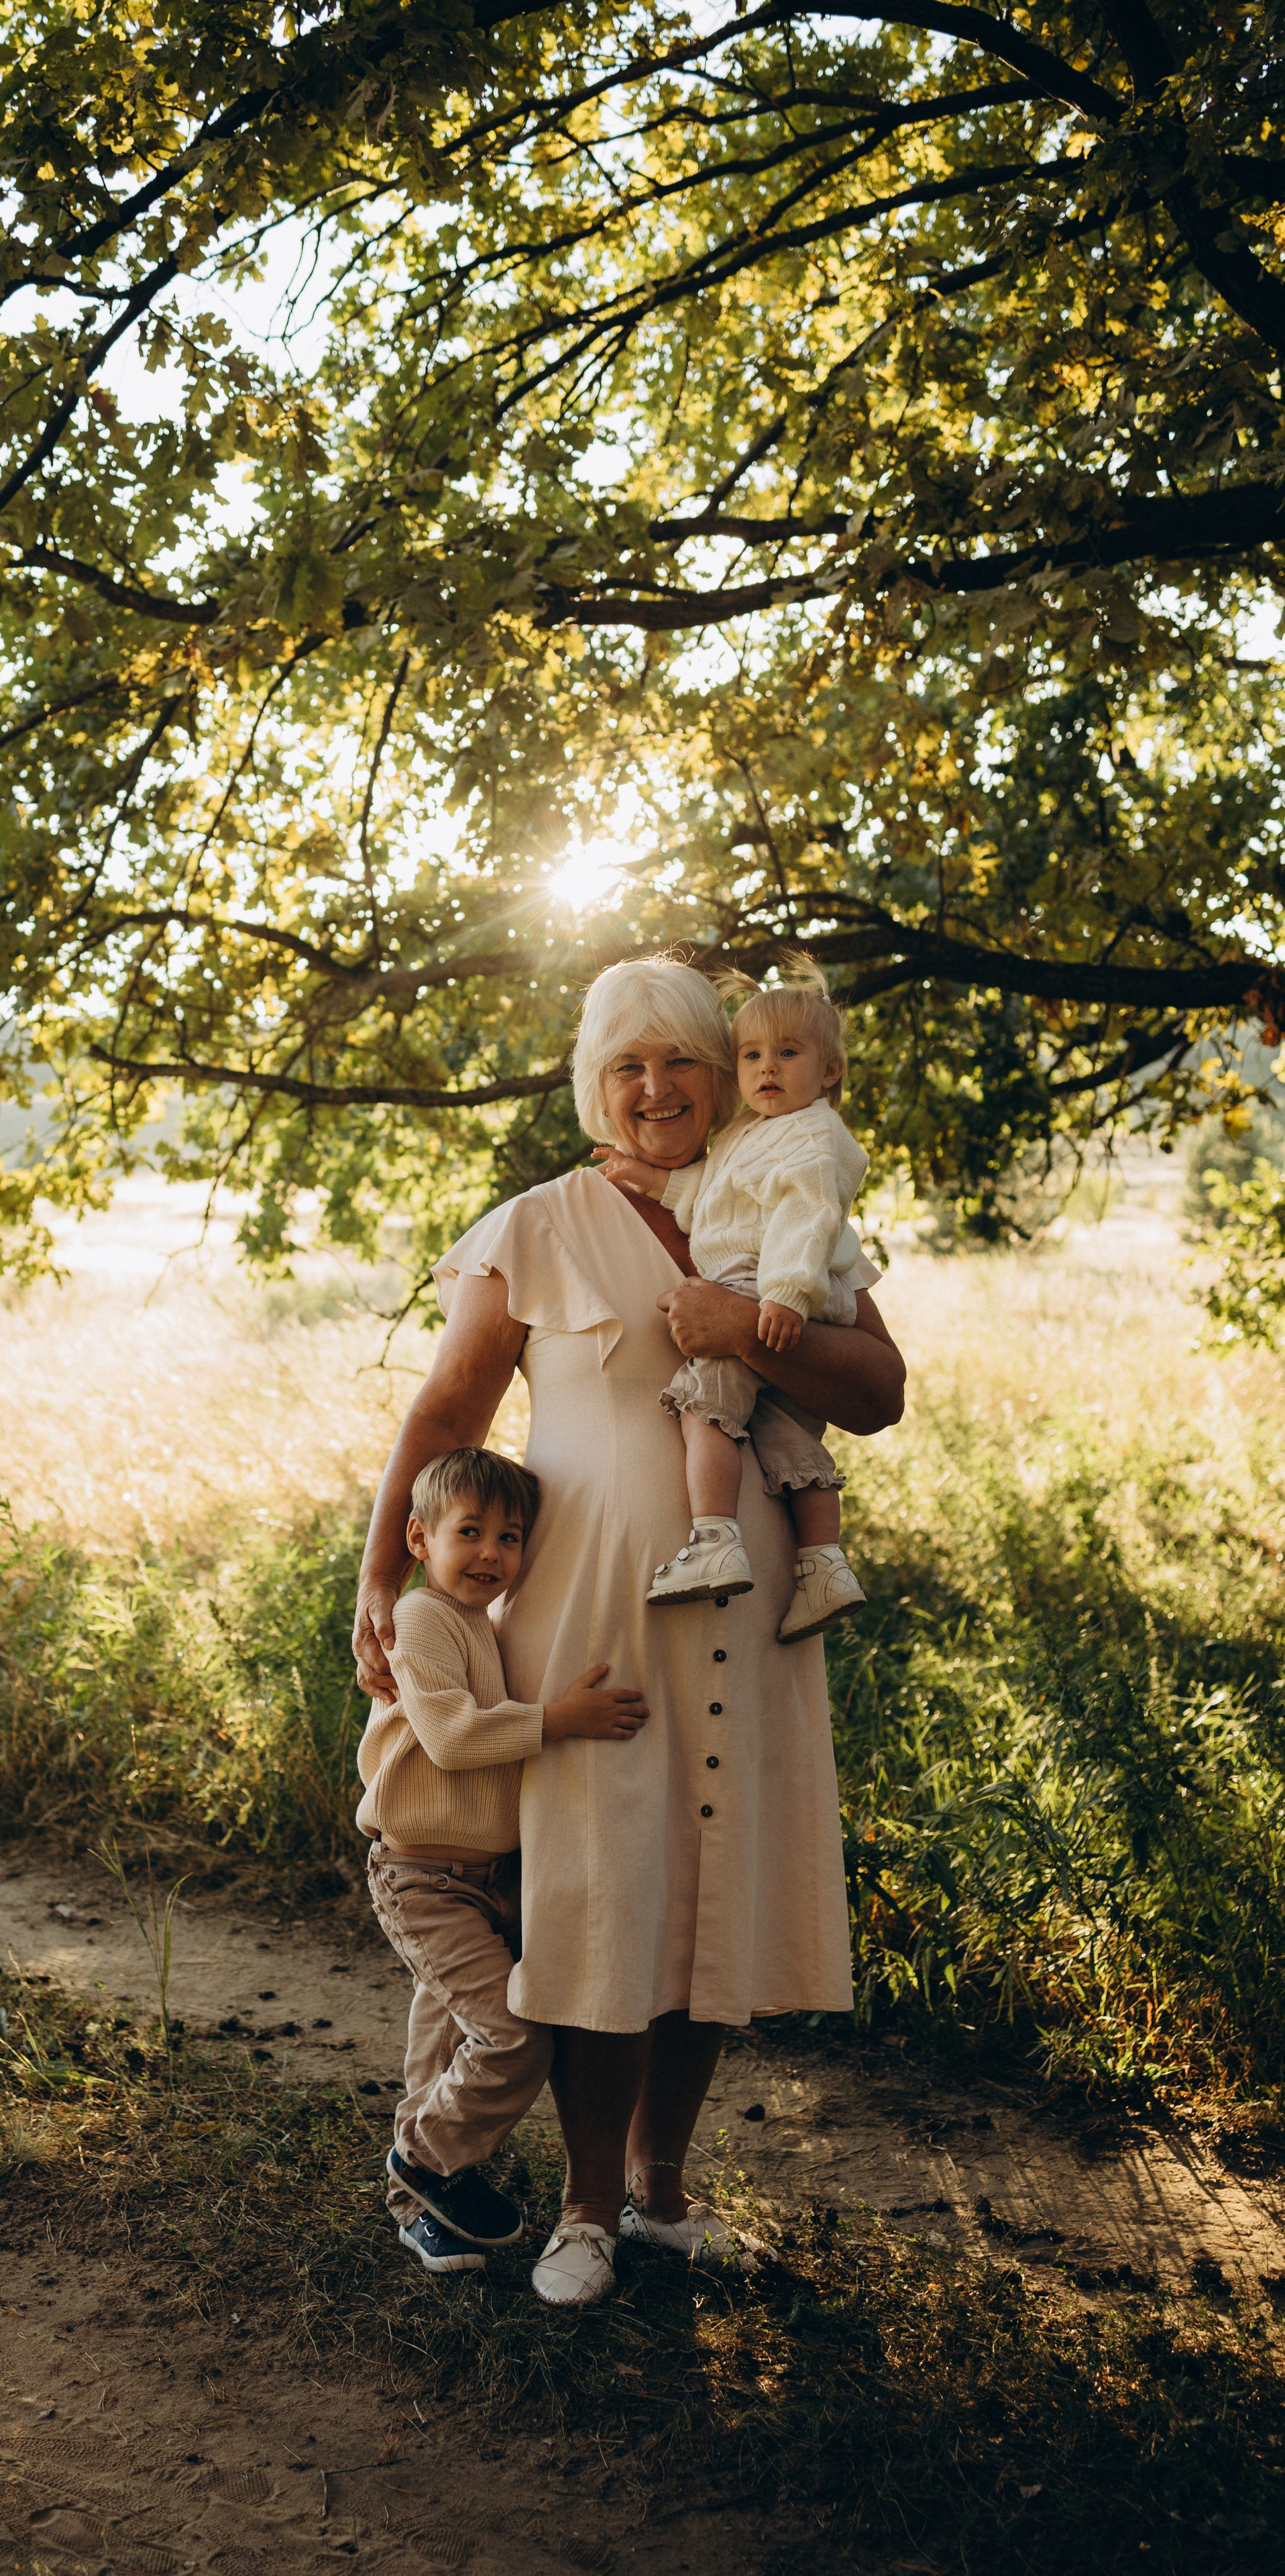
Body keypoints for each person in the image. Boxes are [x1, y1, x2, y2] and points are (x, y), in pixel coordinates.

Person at [352, 954, 905, 2306]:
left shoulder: (777, 1197)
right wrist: (380, 1580)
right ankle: (581, 2213)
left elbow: (877, 1390)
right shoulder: (534, 1224)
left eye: (681, 1063)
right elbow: (445, 1420)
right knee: (602, 1905)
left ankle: (659, 2199)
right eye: (625, 1066)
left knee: (706, 1904)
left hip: (751, 1617)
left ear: (723, 1077)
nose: (656, 1089)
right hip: (590, 1627)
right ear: (591, 1085)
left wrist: (744, 1328)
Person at [359, 1444, 649, 2275]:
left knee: (445, 2036)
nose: (491, 1552)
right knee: (510, 2035)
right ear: (419, 1538)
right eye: (470, 1531)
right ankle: (421, 2156)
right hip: (420, 1878)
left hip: (484, 1878)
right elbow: (449, 1738)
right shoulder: (418, 1620)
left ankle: (419, 2209)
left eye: (511, 1536)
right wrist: (559, 1718)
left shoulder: (486, 1626)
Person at [597, 959, 868, 1643]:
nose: (766, 1068)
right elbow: (716, 1205)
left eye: (786, 1053)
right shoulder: (747, 1134)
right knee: (780, 1432)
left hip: (762, 1284)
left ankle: (714, 1535)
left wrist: (775, 1302)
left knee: (704, 1398)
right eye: (750, 1054)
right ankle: (824, 1564)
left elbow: (806, 1215)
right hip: (757, 1277)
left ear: (828, 1072)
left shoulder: (810, 1135)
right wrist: (650, 1183)